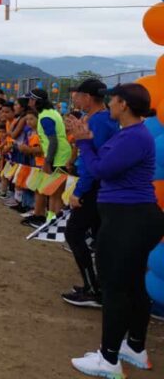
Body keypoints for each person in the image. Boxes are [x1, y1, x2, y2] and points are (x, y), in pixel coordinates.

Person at [66, 83, 164, 377]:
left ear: (124, 105)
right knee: (133, 286)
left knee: (115, 289)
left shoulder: (134, 136)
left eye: (113, 100)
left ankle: (108, 359)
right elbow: (107, 163)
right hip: (131, 218)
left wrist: (84, 142)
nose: (109, 103)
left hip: (127, 220)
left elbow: (100, 170)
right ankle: (134, 347)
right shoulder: (131, 134)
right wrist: (89, 138)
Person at [61, 79, 119, 309]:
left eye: (77, 94)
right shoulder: (99, 119)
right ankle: (98, 286)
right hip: (97, 185)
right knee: (96, 237)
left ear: (87, 97)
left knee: (74, 233)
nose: (74, 98)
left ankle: (93, 289)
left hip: (94, 186)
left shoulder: (99, 122)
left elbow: (95, 161)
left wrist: (80, 190)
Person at [27, 88, 72, 228]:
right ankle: (50, 220)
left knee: (57, 193)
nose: (29, 101)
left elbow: (53, 141)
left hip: (59, 157)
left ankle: (55, 225)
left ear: (35, 101)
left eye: (30, 99)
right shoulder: (50, 113)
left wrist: (48, 161)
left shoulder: (46, 117)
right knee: (53, 192)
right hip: (59, 156)